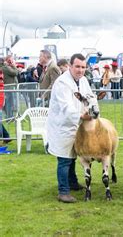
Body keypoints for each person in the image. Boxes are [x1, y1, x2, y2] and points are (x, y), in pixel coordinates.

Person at [46, 53, 90, 203]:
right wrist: (82, 115)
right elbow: (66, 107)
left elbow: (89, 97)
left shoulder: (83, 80)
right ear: (70, 66)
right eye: (77, 66)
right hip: (62, 125)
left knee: (72, 156)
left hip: (76, 125)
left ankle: (72, 183)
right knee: (64, 158)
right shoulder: (62, 83)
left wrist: (92, 109)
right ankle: (63, 191)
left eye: (83, 67)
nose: (80, 70)